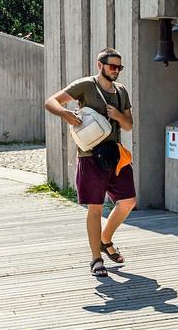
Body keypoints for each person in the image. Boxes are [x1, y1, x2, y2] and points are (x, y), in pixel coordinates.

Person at [44, 48, 136, 277]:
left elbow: (128, 125)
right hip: (90, 155)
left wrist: (118, 116)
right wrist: (65, 114)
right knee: (95, 207)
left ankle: (105, 239)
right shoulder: (86, 85)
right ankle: (96, 259)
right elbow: (51, 101)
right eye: (112, 66)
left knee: (128, 201)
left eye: (119, 67)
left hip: (115, 154)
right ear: (100, 65)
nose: (116, 71)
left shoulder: (121, 91)